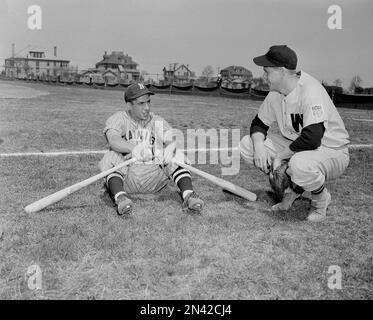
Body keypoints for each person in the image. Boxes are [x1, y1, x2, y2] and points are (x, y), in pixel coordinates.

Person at [240, 45, 350, 222]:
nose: (264, 76)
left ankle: (321, 199)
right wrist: (259, 146)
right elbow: (258, 124)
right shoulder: (275, 93)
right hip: (299, 146)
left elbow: (313, 138)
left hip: (331, 150)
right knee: (248, 145)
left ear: (282, 71)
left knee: (299, 164)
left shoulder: (310, 90)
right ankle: (291, 192)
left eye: (267, 71)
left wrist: (280, 158)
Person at [99, 83, 204, 216]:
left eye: (148, 102)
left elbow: (172, 138)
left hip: (154, 178)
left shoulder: (156, 121)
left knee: (176, 154)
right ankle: (120, 197)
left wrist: (170, 148)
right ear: (129, 105)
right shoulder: (119, 118)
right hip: (126, 179)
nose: (147, 107)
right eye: (141, 103)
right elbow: (113, 139)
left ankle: (189, 195)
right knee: (110, 156)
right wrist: (135, 148)